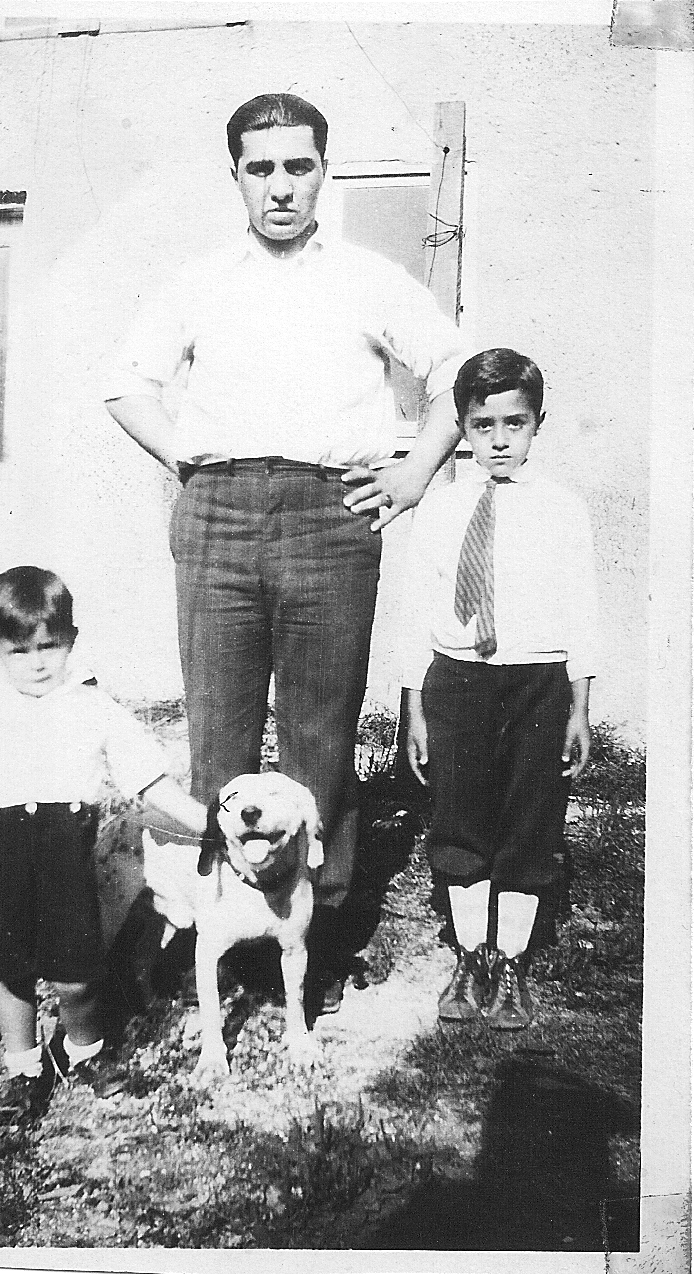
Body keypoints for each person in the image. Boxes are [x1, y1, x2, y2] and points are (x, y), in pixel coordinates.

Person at [102, 92, 468, 1013]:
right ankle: (208, 928)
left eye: (297, 166)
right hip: (217, 513)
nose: (280, 186)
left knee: (320, 734)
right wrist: (184, 453)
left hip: (329, 515)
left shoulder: (369, 279)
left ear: (323, 171)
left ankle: (323, 931)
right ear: (235, 176)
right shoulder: (198, 279)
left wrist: (417, 473)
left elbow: (460, 375)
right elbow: (125, 385)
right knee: (218, 736)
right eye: (260, 168)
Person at [0, 566, 207, 1118]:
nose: (36, 663)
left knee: (76, 975)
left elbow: (150, 781)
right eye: (18, 651)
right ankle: (24, 1069)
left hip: (64, 859)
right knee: (10, 973)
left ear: (71, 643)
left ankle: (86, 1054)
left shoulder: (93, 710)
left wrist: (210, 824)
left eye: (49, 647)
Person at [402, 348, 600, 1029]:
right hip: (457, 681)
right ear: (462, 427)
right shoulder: (440, 509)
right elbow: (415, 615)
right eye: (483, 426)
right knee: (460, 815)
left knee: (529, 818)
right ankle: (471, 953)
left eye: (514, 424)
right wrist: (415, 709)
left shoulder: (562, 510)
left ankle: (511, 959)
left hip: (537, 683)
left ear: (537, 424)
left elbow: (582, 609)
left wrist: (579, 704)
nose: (500, 440)